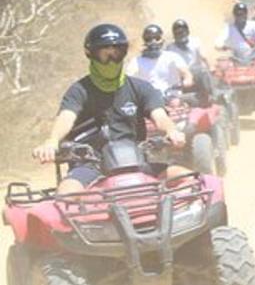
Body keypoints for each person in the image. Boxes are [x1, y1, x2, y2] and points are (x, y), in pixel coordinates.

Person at [32, 24, 188, 195]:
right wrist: (52, 141)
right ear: (90, 54)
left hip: (135, 161)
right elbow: (66, 117)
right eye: (104, 54)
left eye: (116, 53)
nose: (111, 60)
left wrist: (172, 130)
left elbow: (159, 116)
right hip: (90, 164)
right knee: (66, 194)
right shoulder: (79, 90)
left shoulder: (141, 88)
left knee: (188, 178)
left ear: (124, 54)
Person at [127, 23, 193, 93]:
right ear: (144, 41)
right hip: (149, 99)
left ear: (162, 40)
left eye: (157, 38)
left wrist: (186, 82)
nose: (153, 42)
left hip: (173, 97)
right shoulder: (137, 61)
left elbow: (186, 74)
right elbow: (128, 76)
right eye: (149, 39)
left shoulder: (173, 57)